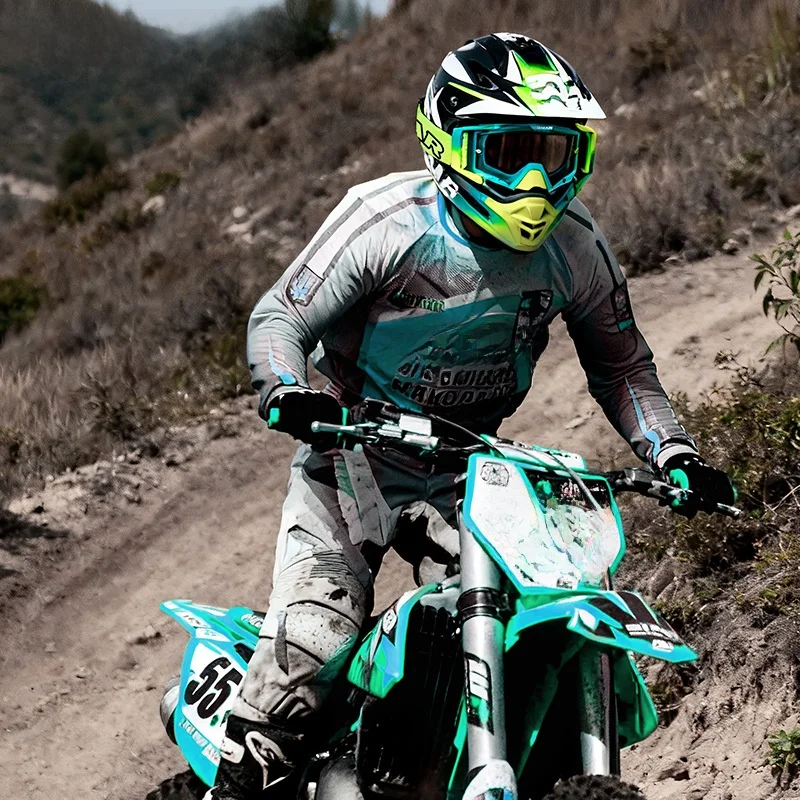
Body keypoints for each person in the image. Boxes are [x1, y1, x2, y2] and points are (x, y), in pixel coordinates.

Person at [208, 33, 735, 799]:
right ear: (446, 146)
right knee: (314, 637)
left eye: (552, 154)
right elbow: (281, 315)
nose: (532, 181)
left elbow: (622, 367)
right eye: (508, 152)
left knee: (532, 614)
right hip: (352, 461)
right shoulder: (386, 222)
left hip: (471, 472)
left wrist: (675, 453)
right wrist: (289, 389)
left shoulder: (576, 247)